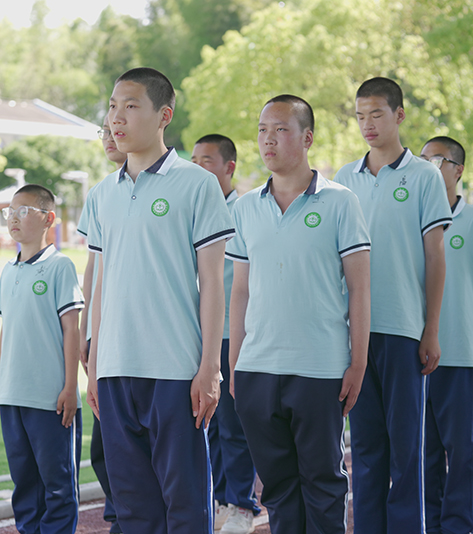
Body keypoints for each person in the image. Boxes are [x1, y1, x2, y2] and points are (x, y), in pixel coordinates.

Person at [84, 67, 234, 534]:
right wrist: (94, 364)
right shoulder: (101, 194)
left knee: (185, 506)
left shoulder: (196, 184)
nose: (117, 118)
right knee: (133, 510)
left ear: (164, 115)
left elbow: (213, 283)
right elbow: (101, 285)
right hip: (115, 371)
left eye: (131, 106)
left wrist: (210, 366)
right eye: (113, 106)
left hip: (175, 371)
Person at [227, 94, 370, 534]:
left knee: (323, 484)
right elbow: (240, 291)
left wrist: (358, 362)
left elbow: (360, 288)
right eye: (262, 130)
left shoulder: (341, 202)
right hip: (257, 369)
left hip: (320, 368)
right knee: (278, 488)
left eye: (281, 130)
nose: (268, 140)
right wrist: (234, 364)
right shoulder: (245, 207)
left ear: (307, 138)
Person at [333, 77, 452, 534]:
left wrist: (431, 328)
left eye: (377, 114)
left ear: (399, 115)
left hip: (403, 329)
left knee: (407, 449)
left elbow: (435, 257)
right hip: (353, 335)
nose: (367, 124)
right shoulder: (343, 180)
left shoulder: (424, 176)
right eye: (360, 116)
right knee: (364, 449)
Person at [419, 136, 473, 534]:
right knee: (424, 452)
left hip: (463, 356)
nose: (429, 167)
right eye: (424, 160)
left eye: (437, 160)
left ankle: (458, 525)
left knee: (464, 451)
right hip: (418, 356)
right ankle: (431, 525)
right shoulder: (414, 220)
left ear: (457, 170)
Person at [0, 184, 84, 534]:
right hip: (13, 396)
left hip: (51, 399)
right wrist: (3, 386)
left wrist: (70, 388)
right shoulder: (8, 271)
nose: (13, 218)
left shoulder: (60, 266)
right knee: (24, 483)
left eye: (24, 211)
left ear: (48, 219)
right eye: (10, 212)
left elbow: (72, 330)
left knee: (57, 484)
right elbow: (7, 330)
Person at [192, 134, 259, 534]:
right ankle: (219, 498)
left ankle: (241, 504)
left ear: (229, 167)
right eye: (194, 160)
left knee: (234, 424)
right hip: (199, 334)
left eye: (207, 161)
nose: (198, 168)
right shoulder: (193, 210)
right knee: (208, 422)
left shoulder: (244, 212)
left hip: (234, 334)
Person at [78, 121, 127, 534]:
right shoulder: (101, 194)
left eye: (116, 128)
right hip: (104, 336)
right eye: (105, 131)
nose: (110, 137)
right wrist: (85, 329)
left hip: (150, 344)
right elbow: (93, 266)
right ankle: (121, 516)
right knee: (105, 446)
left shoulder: (183, 187)